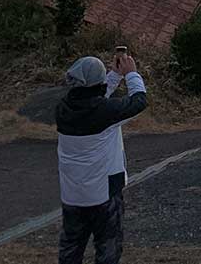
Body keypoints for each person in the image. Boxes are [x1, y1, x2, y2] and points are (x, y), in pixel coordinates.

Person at [56, 52, 148, 264]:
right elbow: (139, 101)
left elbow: (92, 97)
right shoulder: (104, 112)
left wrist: (115, 75)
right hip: (104, 194)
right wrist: (131, 74)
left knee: (71, 247)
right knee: (108, 247)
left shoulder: (63, 108)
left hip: (73, 193)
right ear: (96, 83)